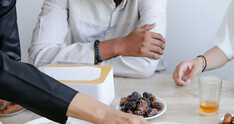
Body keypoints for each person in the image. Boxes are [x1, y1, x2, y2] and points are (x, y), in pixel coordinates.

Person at [0, 0, 159, 124]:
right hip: (74, 98)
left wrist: (73, 60)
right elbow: (35, 60)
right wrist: (119, 46)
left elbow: (10, 67)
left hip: (99, 96)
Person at [28, 0, 167, 78]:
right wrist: (119, 45)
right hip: (82, 87)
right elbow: (39, 58)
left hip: (143, 85)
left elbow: (145, 66)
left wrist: (72, 64)